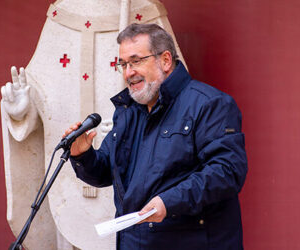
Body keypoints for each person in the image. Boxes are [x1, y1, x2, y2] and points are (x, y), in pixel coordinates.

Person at [64, 23, 248, 250]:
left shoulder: (209, 104)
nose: (128, 72)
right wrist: (82, 154)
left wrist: (169, 202)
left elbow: (226, 172)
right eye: (123, 64)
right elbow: (106, 172)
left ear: (166, 60)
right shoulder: (128, 111)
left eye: (136, 61)